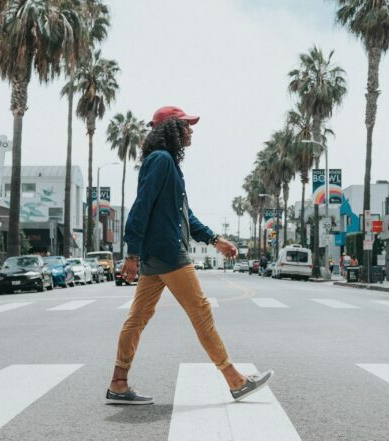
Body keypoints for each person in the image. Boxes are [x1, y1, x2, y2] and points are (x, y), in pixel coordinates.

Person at [106, 106, 273, 405]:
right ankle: (235, 380)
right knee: (201, 311)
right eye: (185, 125)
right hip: (168, 252)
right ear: (170, 129)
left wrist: (215, 239)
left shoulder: (167, 164)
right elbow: (140, 206)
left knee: (138, 317)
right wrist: (131, 252)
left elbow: (186, 217)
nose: (191, 130)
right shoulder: (161, 160)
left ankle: (118, 383)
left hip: (157, 253)